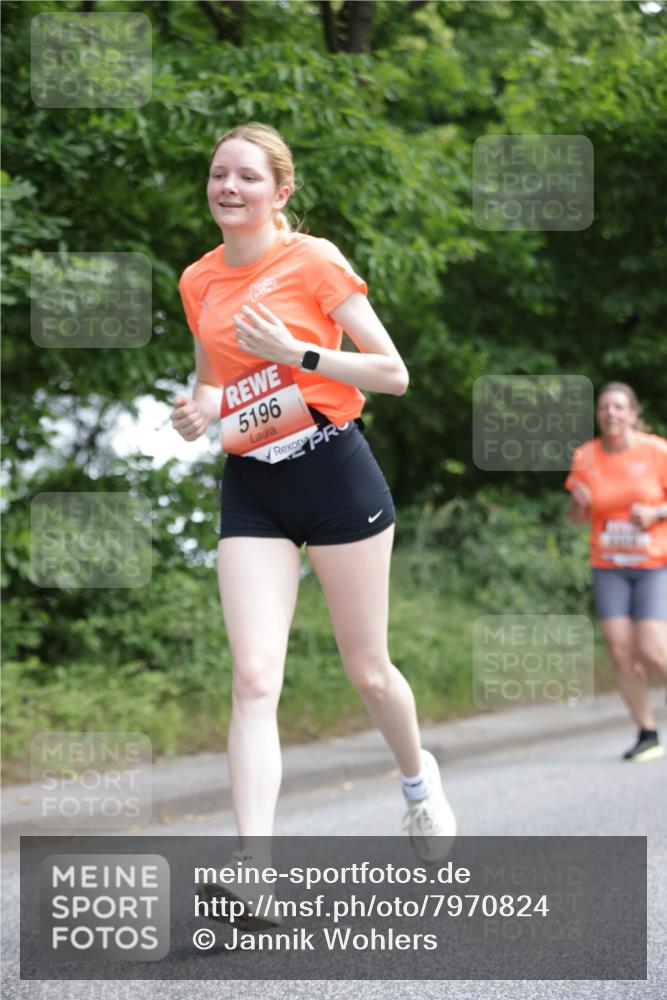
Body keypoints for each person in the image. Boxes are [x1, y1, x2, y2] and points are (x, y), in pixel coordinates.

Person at [170, 123, 455, 922]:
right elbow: (211, 384)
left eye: (247, 178)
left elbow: (391, 374)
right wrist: (199, 412)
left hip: (334, 471)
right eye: (218, 173)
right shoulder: (198, 280)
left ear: (280, 193)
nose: (229, 187)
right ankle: (252, 872)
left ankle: (416, 782)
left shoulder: (315, 261)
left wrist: (299, 353)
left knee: (367, 671)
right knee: (254, 676)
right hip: (252, 484)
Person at [565, 382, 667, 762]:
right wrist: (578, 504)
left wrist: (657, 513)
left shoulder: (657, 451)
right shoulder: (585, 456)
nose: (611, 413)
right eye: (605, 407)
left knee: (654, 649)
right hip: (608, 566)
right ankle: (647, 731)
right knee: (621, 650)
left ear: (633, 414)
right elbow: (575, 518)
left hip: (654, 563)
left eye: (619, 407)